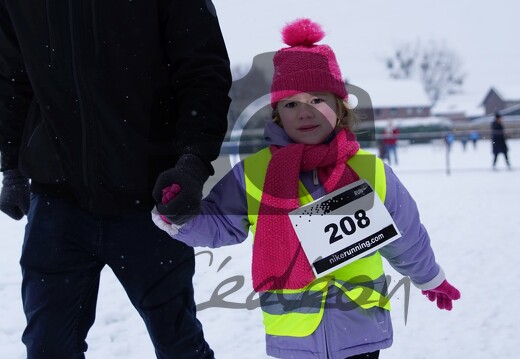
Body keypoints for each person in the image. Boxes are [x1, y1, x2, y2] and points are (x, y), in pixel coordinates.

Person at [153, 18, 460, 359]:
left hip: (359, 326)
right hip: (293, 335)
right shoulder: (254, 173)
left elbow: (406, 236)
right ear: (277, 115)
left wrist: (430, 278)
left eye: (317, 99)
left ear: (340, 106)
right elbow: (221, 223)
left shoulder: (370, 172)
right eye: (291, 104)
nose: (305, 112)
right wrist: (180, 215)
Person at [0, 1, 231, 358]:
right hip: (57, 202)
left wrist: (192, 162)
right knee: (48, 347)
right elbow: (9, 77)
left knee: (179, 344)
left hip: (150, 198)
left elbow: (202, 71)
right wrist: (11, 166)